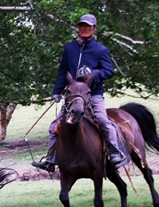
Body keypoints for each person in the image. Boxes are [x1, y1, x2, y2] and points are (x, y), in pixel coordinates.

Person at [32, 13, 129, 173]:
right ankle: (50, 160)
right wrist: (57, 92)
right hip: (72, 96)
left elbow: (109, 71)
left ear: (94, 29)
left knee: (103, 121)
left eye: (88, 26)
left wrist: (95, 74)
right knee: (54, 126)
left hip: (93, 94)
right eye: (82, 26)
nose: (85, 29)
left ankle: (115, 153)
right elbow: (63, 72)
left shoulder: (100, 50)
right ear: (78, 28)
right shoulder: (69, 48)